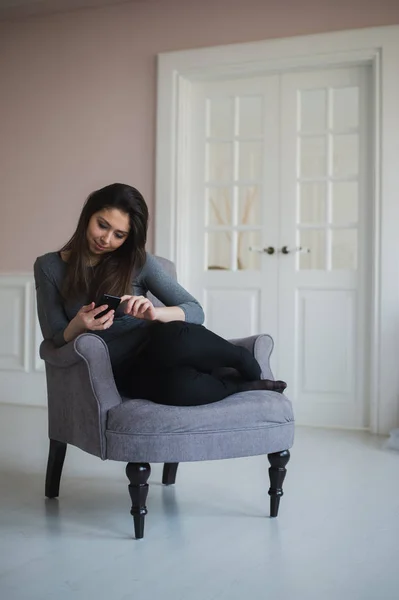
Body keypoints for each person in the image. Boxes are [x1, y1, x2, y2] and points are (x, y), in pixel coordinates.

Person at [34, 183, 286, 406]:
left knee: (176, 334)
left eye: (119, 235)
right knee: (178, 388)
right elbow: (53, 337)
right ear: (88, 215)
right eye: (102, 225)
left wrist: (154, 313)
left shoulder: (137, 262)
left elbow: (195, 311)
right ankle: (237, 385)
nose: (106, 239)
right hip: (123, 369)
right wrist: (78, 325)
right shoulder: (48, 267)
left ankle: (242, 359)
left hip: (159, 343)